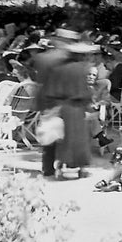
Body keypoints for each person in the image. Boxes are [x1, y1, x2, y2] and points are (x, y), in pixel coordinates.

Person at [33, 30, 98, 179]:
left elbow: (49, 86)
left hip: (59, 105)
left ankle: (57, 168)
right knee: (79, 140)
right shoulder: (81, 68)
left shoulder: (54, 64)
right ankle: (80, 168)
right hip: (77, 107)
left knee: (63, 139)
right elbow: (85, 90)